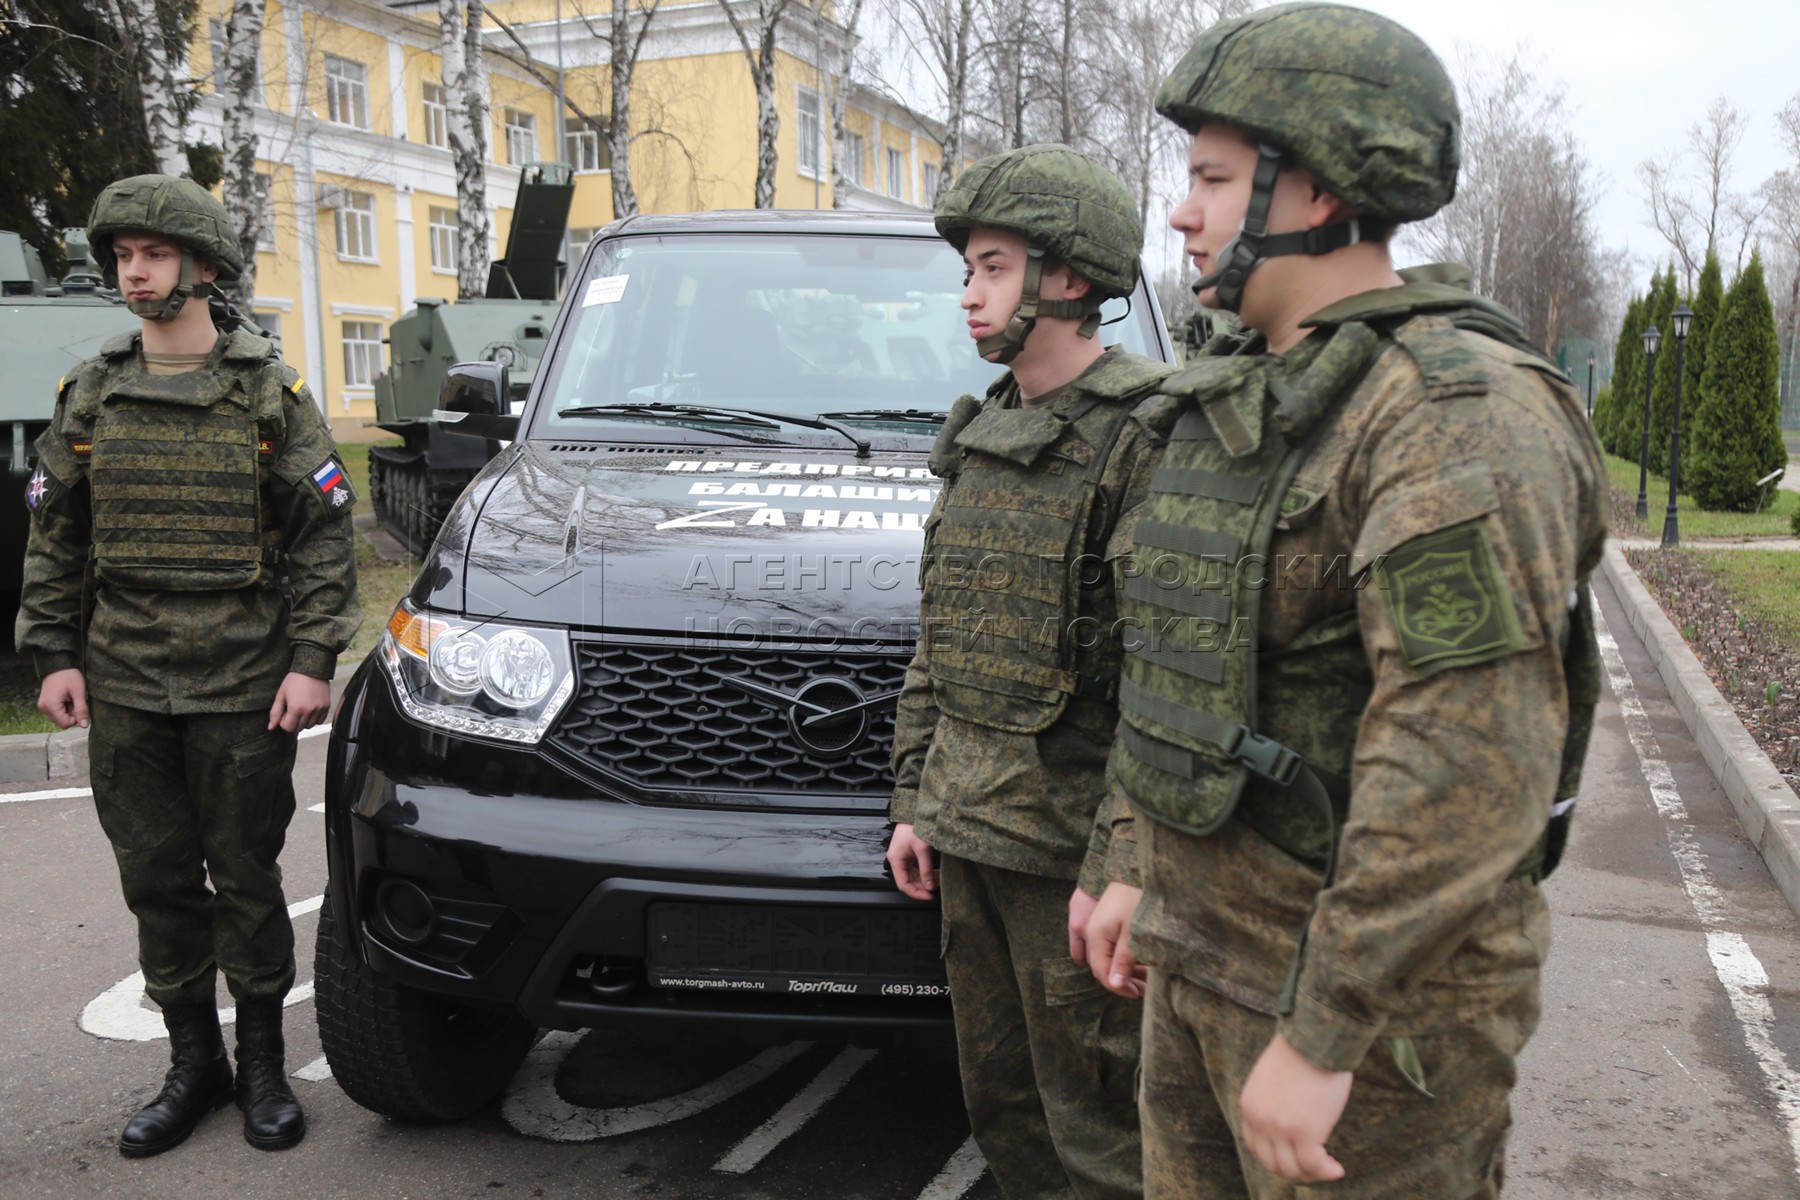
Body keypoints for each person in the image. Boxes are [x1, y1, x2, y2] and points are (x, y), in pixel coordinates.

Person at [1078, 5, 1609, 1197]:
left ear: (1313, 192)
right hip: (1203, 964)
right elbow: (1182, 657)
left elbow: (1466, 762)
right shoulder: (1244, 400)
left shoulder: (1447, 416)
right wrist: (1131, 862)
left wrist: (1325, 1034)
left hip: (1374, 1029)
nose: (1181, 210)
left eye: (1212, 179)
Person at [17, 175, 362, 1157]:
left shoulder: (268, 392)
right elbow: (56, 534)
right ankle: (192, 1065)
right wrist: (51, 652)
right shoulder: (91, 390)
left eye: (155, 255)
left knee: (247, 878)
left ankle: (260, 1068)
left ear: (203, 268)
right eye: (123, 256)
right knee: (157, 882)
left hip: (243, 683)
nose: (135, 272)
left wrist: (311, 658)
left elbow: (322, 535)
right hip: (124, 679)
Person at [884, 144, 1172, 1200]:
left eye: (995, 267)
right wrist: (916, 799)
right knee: (1005, 1116)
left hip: (1071, 865)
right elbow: (941, 635)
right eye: (968, 269)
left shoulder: (1144, 435)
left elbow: (1169, 680)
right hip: (970, 836)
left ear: (1071, 279)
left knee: (1103, 1136)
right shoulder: (985, 430)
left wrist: (1120, 867)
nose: (970, 293)